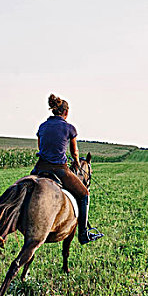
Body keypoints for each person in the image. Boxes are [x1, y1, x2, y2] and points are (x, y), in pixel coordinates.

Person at [31, 94, 99, 244]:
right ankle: (83, 233)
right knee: (84, 194)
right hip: (59, 169)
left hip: (39, 167)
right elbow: (74, 152)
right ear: (66, 113)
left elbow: (40, 146)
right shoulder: (69, 128)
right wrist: (75, 162)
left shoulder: (42, 126)